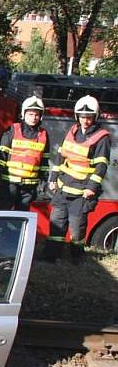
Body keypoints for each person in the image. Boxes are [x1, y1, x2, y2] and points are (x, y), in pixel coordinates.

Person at [41, 95, 111, 263]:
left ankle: (76, 258)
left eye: (89, 117)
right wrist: (53, 177)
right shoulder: (72, 132)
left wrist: (91, 187)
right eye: (82, 116)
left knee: (77, 229)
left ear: (95, 117)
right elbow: (61, 157)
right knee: (56, 223)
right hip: (63, 189)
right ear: (77, 116)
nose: (85, 120)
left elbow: (101, 166)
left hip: (81, 193)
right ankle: (50, 256)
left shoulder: (102, 138)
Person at [0, 96, 49, 211]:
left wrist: (43, 182)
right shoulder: (12, 130)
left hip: (29, 187)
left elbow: (44, 161)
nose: (33, 118)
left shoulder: (43, 135)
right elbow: (1, 156)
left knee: (21, 218)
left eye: (36, 115)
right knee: (2, 214)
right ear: (23, 114)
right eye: (30, 114)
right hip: (9, 184)